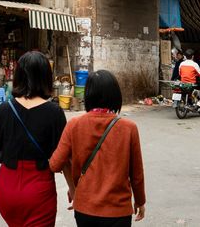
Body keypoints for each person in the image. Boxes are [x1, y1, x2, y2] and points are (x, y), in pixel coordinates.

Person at [0, 51, 70, 226]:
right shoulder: (54, 113)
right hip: (39, 190)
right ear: (45, 78)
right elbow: (64, 160)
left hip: (7, 189)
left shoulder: (5, 109)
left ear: (19, 76)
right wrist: (74, 190)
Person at [50, 70, 146, 226]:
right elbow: (137, 174)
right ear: (115, 95)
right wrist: (140, 201)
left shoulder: (74, 125)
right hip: (118, 211)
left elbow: (55, 164)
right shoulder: (129, 128)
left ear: (88, 95)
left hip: (85, 209)